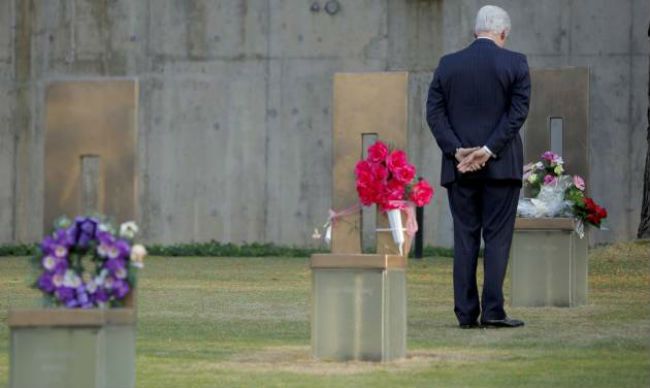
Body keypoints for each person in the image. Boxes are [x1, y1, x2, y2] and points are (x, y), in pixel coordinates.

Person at [426, 5, 530, 329]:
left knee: (465, 237)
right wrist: (487, 150)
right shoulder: (516, 63)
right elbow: (517, 114)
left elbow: (434, 113)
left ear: (475, 31)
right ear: (504, 33)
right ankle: (494, 311)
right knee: (497, 239)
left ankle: (466, 314)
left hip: (459, 170)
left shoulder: (448, 64)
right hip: (502, 168)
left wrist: (458, 151)